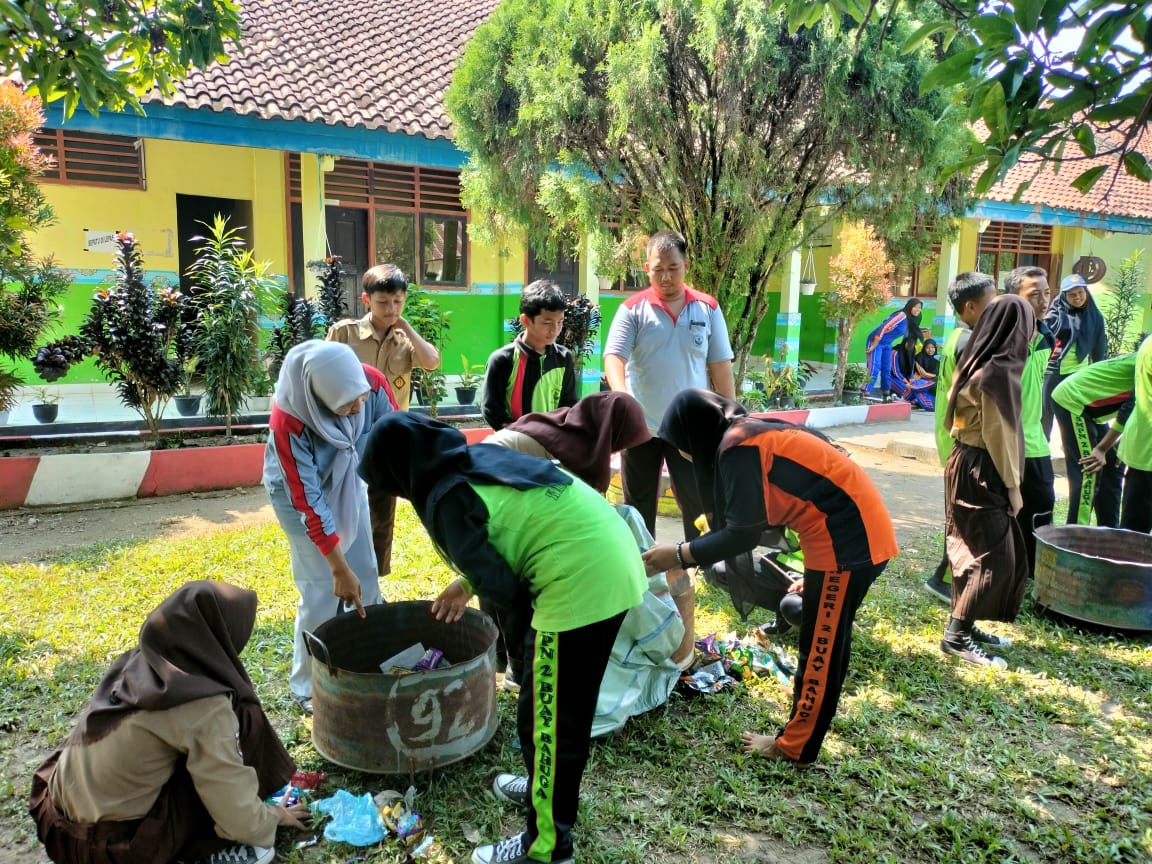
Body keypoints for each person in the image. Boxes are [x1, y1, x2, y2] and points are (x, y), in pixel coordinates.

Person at [360, 413, 646, 864]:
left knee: (545, 721)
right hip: (612, 553)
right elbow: (512, 525)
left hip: (577, 580)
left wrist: (518, 631)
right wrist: (468, 582)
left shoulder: (445, 497)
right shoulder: (477, 458)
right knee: (563, 713)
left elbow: (508, 591)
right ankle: (547, 795)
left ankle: (547, 847)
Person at [642, 389, 898, 767]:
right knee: (828, 642)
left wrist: (678, 554)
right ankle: (800, 738)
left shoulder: (737, 448)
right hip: (847, 534)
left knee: (820, 651)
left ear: (693, 434)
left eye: (680, 444)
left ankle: (795, 748)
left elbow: (742, 533)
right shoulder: (747, 432)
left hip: (846, 541)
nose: (681, 454)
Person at [29, 581, 310, 864]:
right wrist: (270, 818)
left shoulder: (140, 662)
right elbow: (239, 820)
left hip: (54, 823)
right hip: (112, 850)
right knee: (243, 723)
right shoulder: (205, 707)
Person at [604, 229, 736, 666]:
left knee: (697, 500)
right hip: (642, 426)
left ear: (685, 267)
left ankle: (707, 569)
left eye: (673, 268)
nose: (665, 276)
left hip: (692, 429)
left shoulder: (707, 308)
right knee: (637, 500)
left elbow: (718, 365)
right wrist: (623, 398)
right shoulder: (633, 309)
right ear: (648, 268)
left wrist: (729, 415)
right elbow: (614, 358)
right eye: (657, 270)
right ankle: (639, 569)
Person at [483, 391, 654, 688]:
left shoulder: (570, 426)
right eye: (620, 441)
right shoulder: (575, 448)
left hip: (493, 484)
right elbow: (579, 509)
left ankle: (499, 658)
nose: (617, 450)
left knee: (496, 574)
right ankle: (519, 669)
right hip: (496, 488)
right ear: (610, 428)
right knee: (518, 580)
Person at [262, 340, 396, 715]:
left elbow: (396, 437)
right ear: (319, 398)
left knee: (365, 574)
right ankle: (308, 686)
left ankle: (366, 664)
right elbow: (310, 503)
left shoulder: (372, 385)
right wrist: (338, 568)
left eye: (360, 398)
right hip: (297, 493)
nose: (357, 408)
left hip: (348, 481)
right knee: (322, 586)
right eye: (345, 403)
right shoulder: (290, 419)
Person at [326, 263, 441, 580]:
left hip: (386, 443)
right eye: (383, 302)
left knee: (381, 512)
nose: (391, 309)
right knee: (343, 507)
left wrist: (405, 325)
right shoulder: (345, 332)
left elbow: (431, 362)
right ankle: (340, 569)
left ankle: (375, 576)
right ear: (366, 300)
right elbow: (322, 377)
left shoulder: (405, 340)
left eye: (398, 301)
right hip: (344, 438)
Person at [941, 294, 1035, 670]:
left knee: (970, 549)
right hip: (983, 467)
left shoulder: (976, 359)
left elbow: (953, 418)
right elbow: (1000, 434)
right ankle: (957, 635)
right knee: (995, 556)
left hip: (965, 461)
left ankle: (968, 624)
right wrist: (1013, 487)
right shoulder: (999, 371)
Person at [923, 273, 998, 603]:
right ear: (970, 307)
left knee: (960, 512)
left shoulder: (957, 335)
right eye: (991, 302)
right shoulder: (969, 341)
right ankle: (945, 578)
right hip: (959, 437)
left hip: (950, 433)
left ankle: (944, 576)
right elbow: (969, 397)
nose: (997, 308)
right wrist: (971, 440)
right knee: (963, 514)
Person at [1003, 265, 1056, 578]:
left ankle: (1033, 574)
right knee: (1009, 511)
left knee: (1042, 507)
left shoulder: (1046, 335)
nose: (1044, 300)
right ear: (1015, 299)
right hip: (1009, 441)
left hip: (1037, 440)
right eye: (1034, 295)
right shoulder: (1005, 339)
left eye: (1047, 293)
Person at [1051, 349, 1136, 527]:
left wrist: (1116, 444)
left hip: (1090, 408)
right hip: (1074, 401)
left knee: (1113, 464)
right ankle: (1074, 543)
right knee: (1089, 472)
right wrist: (1101, 448)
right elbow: (1131, 406)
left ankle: (1109, 536)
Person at [481, 279, 578, 431]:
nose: (555, 330)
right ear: (526, 320)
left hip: (551, 445)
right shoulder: (502, 360)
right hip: (514, 447)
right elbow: (492, 410)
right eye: (547, 323)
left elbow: (569, 405)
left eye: (560, 322)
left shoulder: (564, 358)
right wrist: (520, 437)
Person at [1042, 272, 1108, 440]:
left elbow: (1099, 348)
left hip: (1078, 372)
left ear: (1086, 292)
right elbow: (1044, 341)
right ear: (1065, 296)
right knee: (1045, 414)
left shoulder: (1095, 317)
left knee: (1075, 415)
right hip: (1052, 370)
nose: (1077, 297)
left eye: (1080, 293)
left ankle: (1075, 451)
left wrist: (1097, 375)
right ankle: (1041, 452)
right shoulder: (1054, 314)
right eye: (1072, 294)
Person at [863, 299, 922, 401]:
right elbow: (884, 326)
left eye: (920, 308)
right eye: (915, 306)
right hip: (876, 340)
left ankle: (886, 392)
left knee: (887, 368)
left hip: (887, 343)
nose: (918, 309)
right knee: (874, 366)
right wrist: (875, 343)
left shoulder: (911, 320)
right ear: (909, 306)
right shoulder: (902, 315)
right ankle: (865, 391)